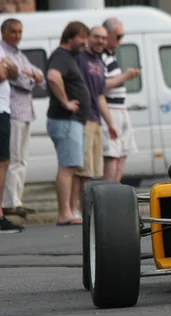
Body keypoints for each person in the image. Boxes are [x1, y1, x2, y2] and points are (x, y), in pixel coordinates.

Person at [45, 21, 91, 226]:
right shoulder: (61, 56)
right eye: (82, 37)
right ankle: (64, 213)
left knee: (71, 167)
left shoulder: (69, 57)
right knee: (67, 167)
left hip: (73, 121)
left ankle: (69, 210)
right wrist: (65, 102)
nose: (85, 42)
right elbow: (53, 77)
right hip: (66, 120)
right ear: (70, 37)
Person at [0, 18, 45, 220]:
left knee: (22, 159)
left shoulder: (18, 54)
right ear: (4, 32)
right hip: (13, 110)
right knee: (13, 159)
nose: (17, 36)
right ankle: (9, 202)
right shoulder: (4, 52)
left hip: (25, 111)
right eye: (14, 32)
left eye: (20, 32)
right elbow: (20, 79)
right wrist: (28, 76)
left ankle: (16, 199)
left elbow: (40, 77)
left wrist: (28, 75)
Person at [72, 26, 117, 217]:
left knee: (91, 171)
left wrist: (110, 123)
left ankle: (85, 211)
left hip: (96, 120)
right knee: (80, 169)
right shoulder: (79, 59)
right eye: (96, 37)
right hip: (82, 120)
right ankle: (73, 209)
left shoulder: (99, 62)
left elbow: (100, 96)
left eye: (104, 38)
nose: (100, 41)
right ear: (88, 39)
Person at [101, 17, 140, 183]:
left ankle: (114, 188)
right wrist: (126, 76)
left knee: (122, 153)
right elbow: (102, 84)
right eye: (118, 36)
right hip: (110, 110)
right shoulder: (101, 56)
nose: (120, 40)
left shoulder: (111, 55)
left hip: (120, 109)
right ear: (107, 34)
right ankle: (109, 190)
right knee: (113, 154)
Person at [0, 35, 21, 233]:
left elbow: (15, 73)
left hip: (4, 110)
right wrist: (7, 69)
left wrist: (8, 69)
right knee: (1, 162)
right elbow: (3, 74)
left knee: (4, 162)